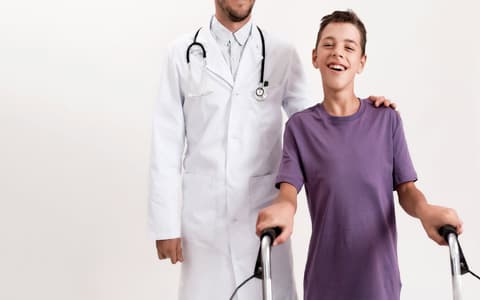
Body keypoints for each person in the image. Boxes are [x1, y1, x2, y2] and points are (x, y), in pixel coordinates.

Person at [149, 1, 394, 299]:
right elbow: (167, 141)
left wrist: (364, 112)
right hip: (203, 219)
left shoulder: (282, 53)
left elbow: (315, 124)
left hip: (264, 215)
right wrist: (165, 224)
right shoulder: (181, 54)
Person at [255, 10, 463, 300]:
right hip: (324, 283)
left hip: (379, 281)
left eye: (349, 47)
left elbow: (407, 190)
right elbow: (288, 192)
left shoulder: (386, 120)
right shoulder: (300, 128)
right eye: (328, 45)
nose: (337, 52)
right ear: (315, 57)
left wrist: (427, 212)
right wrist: (283, 210)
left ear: (361, 63)